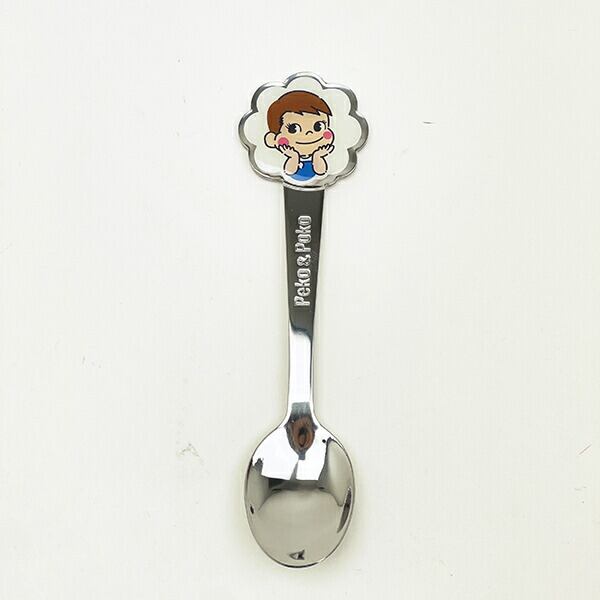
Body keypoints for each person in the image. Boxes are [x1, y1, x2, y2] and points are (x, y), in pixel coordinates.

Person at [264, 91, 335, 182]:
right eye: (293, 129)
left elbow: (321, 171)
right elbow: (289, 172)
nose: (309, 133)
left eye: (318, 126)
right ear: (273, 139)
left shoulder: (317, 155)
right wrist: (294, 156)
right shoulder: (285, 160)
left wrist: (317, 156)